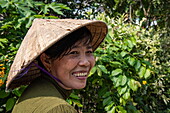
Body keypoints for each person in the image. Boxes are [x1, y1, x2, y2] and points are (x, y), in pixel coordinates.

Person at [6, 19, 108, 113]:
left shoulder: (35, 92)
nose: (85, 62)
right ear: (47, 61)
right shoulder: (58, 109)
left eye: (89, 52)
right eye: (73, 53)